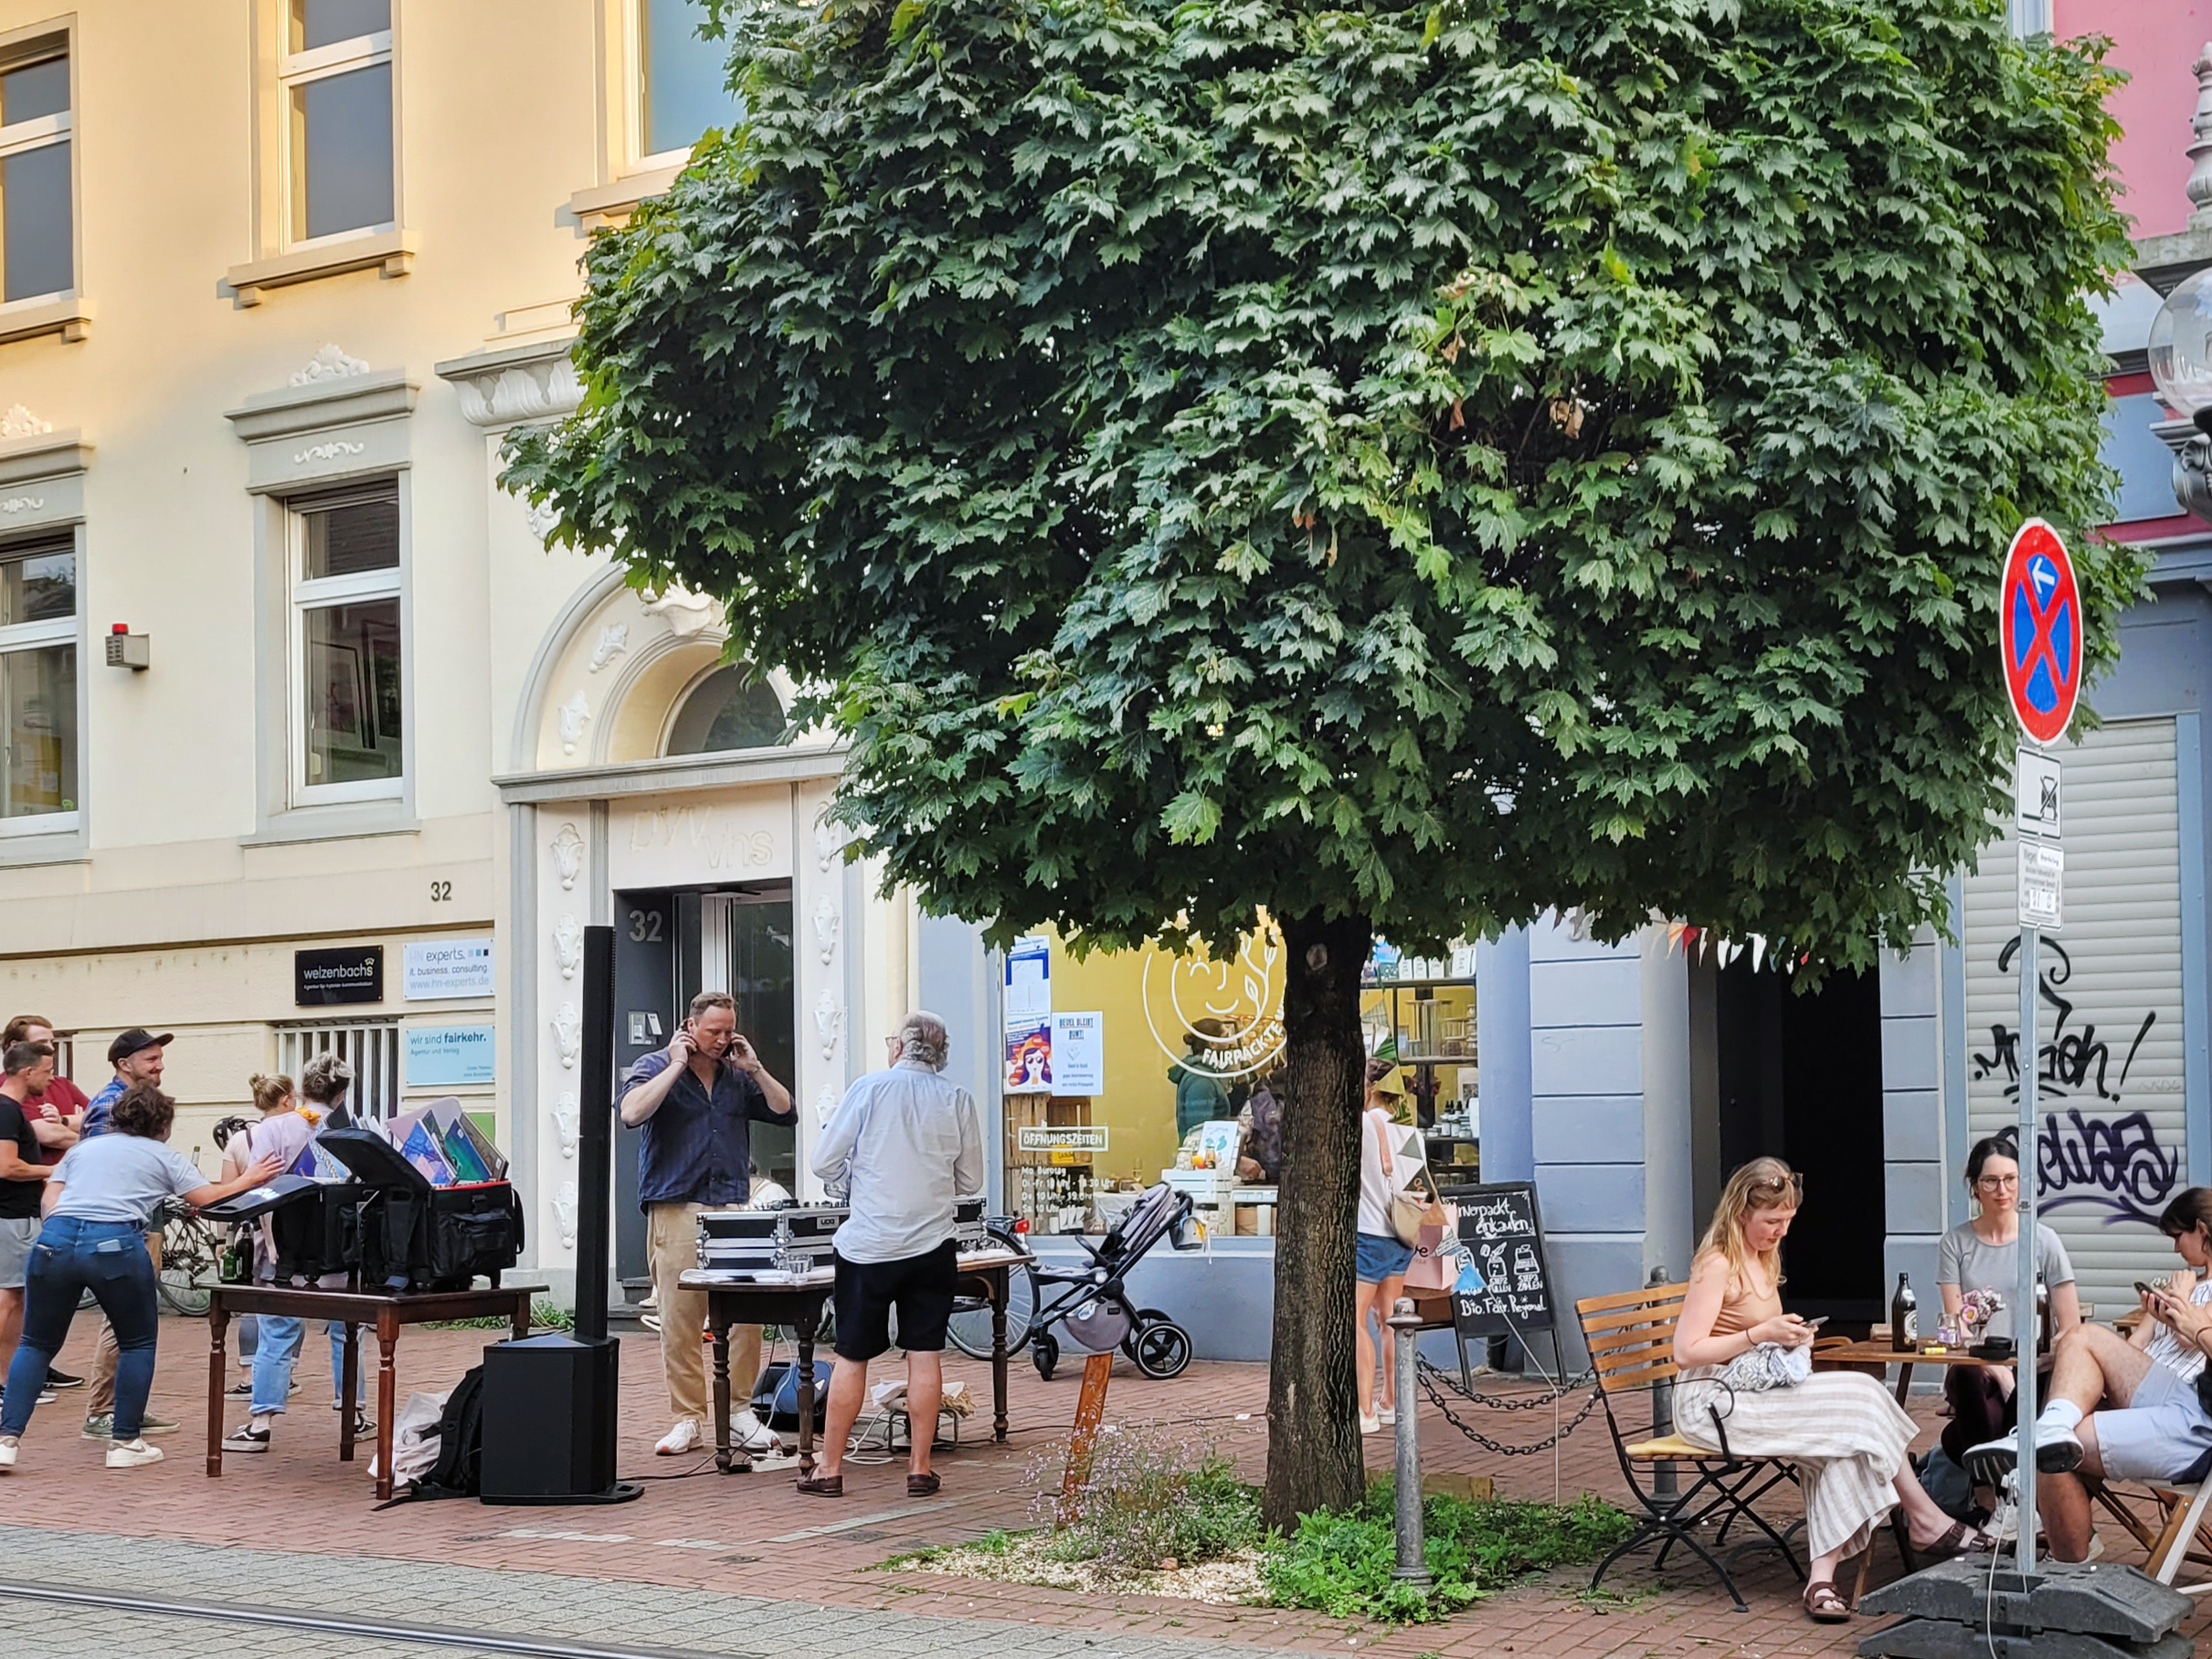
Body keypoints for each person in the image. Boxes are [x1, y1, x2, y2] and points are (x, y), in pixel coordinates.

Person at [1674, 1157, 1993, 1623]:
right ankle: (1925, 1519)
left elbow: (1760, 1334)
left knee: (1851, 1433)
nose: (1780, 1230)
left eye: (1787, 1221)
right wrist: (1761, 1335)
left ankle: (1821, 1580)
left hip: (1751, 1390)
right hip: (1712, 1403)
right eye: (1771, 1221)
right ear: (1742, 1211)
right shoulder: (1718, 1262)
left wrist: (1790, 1335)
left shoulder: (1764, 1254)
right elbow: (1686, 1352)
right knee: (1860, 1402)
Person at [0, 1081, 280, 1472]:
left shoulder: (82, 1149)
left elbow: (51, 1195)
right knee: (136, 1343)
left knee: (35, 1343)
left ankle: (6, 1439)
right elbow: (210, 1199)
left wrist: (61, 1229)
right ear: (162, 1124)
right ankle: (125, 1441)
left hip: (55, 1241)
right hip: (115, 1244)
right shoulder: (163, 1156)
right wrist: (250, 1180)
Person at [797, 1011, 984, 1498]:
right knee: (925, 1355)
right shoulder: (958, 1099)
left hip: (869, 1247)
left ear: (899, 1047)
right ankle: (920, 1468)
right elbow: (971, 1181)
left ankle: (830, 1469)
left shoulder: (869, 1088)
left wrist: (854, 1177)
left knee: (851, 1357)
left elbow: (822, 1160)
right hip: (932, 1246)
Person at [1969, 1187, 2212, 1561]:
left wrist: (2194, 1325)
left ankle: (2070, 1570)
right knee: (2083, 1336)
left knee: (2053, 1454)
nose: (2176, 1249)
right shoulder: (2192, 1283)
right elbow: (2142, 1349)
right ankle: (2050, 1428)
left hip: (2200, 1429)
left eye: (2179, 1237)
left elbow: (2195, 1339)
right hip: (2185, 1395)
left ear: (2202, 1230)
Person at [618, 989, 795, 1457]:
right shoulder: (656, 1066)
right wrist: (677, 1065)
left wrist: (754, 1067)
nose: (721, 1039)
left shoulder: (736, 1074)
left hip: (730, 1202)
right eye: (713, 1031)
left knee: (746, 1314)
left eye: (728, 1031)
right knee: (680, 1317)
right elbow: (631, 1112)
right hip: (676, 1204)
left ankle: (739, 1410)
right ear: (690, 1026)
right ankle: (688, 1418)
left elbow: (784, 1110)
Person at [221, 1073, 361, 1453]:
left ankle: (261, 1423)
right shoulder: (354, 1129)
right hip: (341, 1248)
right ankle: (355, 1413)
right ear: (341, 1092)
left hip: (282, 1250)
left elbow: (259, 1186)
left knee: (276, 1331)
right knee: (347, 1330)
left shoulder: (274, 1128)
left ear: (301, 1091)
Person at [79, 1028, 176, 1442]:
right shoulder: (109, 1106)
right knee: (120, 1320)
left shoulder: (131, 1102)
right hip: (117, 1228)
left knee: (132, 1319)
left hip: (139, 1223)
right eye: (150, 1059)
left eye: (159, 1058)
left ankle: (124, 1407)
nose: (160, 1066)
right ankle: (102, 1411)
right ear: (124, 1064)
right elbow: (110, 1170)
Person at [1356, 1061, 1423, 1436]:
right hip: (1402, 1235)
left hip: (1368, 1233)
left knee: (1355, 1321)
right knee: (1389, 1322)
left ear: (1369, 1087)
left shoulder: (1364, 1126)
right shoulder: (1409, 1132)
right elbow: (1422, 1189)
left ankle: (1364, 1410)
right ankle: (1391, 1402)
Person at [0, 1041, 56, 1413]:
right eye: (47, 1071)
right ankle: (4, 1382)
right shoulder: (6, 1111)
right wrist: (55, 1170)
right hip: (13, 1217)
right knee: (9, 1298)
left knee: (15, 1298)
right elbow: (6, 1166)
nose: (50, 1080)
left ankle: (8, 1380)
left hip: (16, 1216)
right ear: (27, 1071)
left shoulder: (10, 1110)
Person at [4, 1014, 88, 1167]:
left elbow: (101, 1119)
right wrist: (90, 1138)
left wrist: (62, 1120)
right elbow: (48, 1135)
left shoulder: (62, 1083)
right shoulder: (10, 1088)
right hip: (38, 1181)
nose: (50, 1048)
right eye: (41, 1043)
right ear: (15, 1046)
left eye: (52, 1041)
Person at [1169, 1031, 1230, 1141]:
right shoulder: (1201, 1079)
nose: (1231, 1043)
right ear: (1212, 1044)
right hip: (1203, 1156)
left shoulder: (1205, 1075)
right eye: (1226, 1037)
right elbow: (1198, 1132)